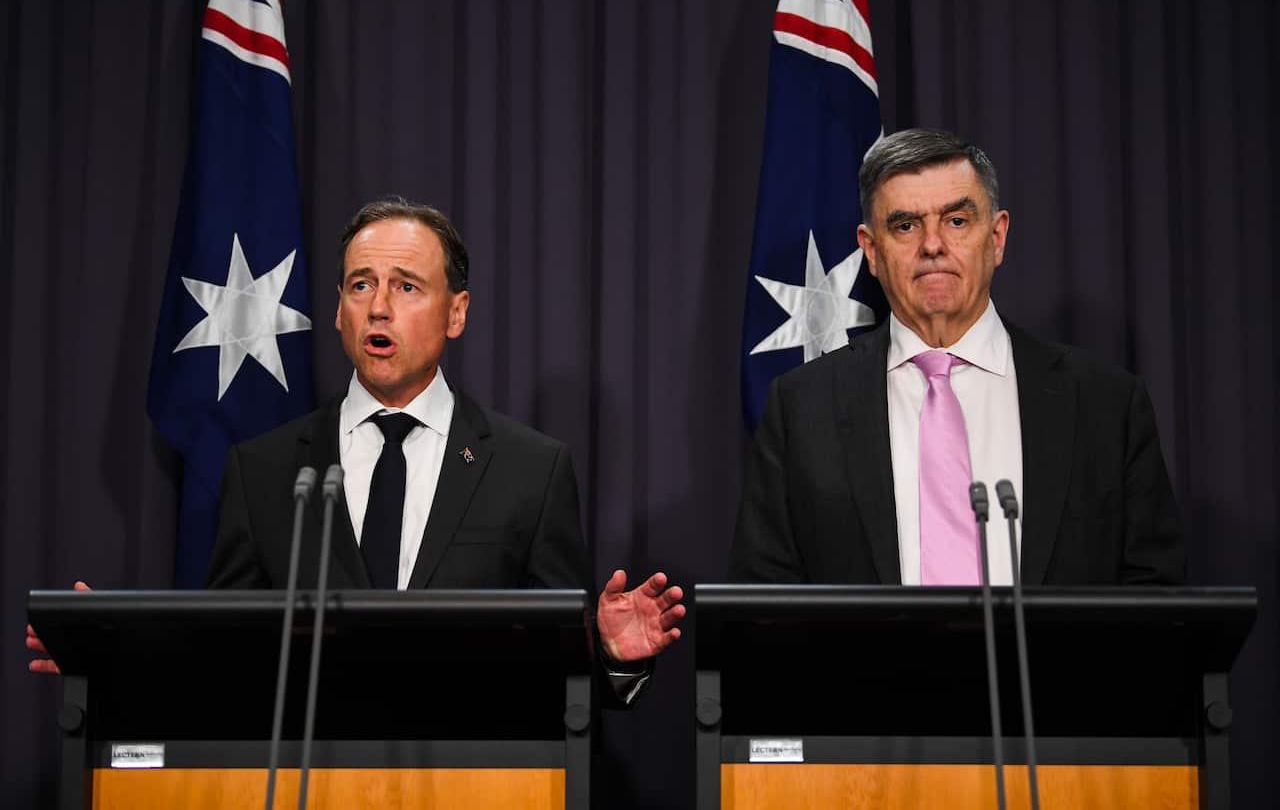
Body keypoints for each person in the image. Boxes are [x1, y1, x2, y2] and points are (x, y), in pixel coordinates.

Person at [30, 197, 684, 692]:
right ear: (340, 309)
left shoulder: (531, 470)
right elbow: (223, 661)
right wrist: (115, 663)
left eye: (406, 286)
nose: (378, 307)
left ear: (456, 312)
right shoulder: (262, 471)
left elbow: (558, 681)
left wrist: (602, 653)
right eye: (360, 284)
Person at [730, 128, 1184, 587]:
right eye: (905, 225)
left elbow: (1157, 600)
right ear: (871, 250)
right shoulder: (802, 408)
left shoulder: (1106, 405)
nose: (932, 245)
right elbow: (764, 607)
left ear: (997, 236)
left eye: (957, 221)